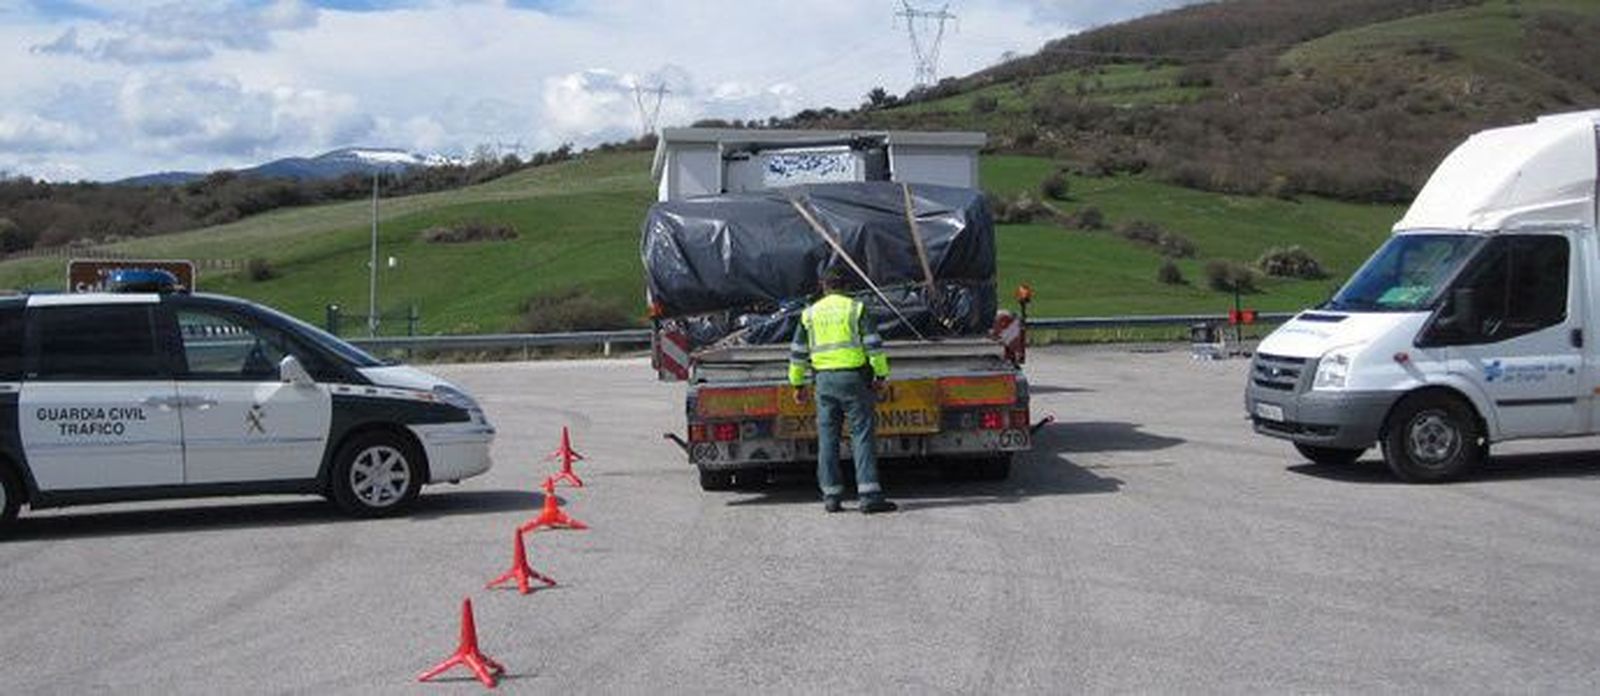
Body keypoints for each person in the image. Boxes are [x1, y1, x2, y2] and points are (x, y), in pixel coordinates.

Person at [789, 266, 897, 514]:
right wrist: (881, 375)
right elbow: (873, 345)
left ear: (823, 286)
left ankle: (831, 496)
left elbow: (797, 353)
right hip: (854, 379)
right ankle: (869, 496)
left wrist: (797, 383)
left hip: (824, 381)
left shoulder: (810, 314)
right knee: (862, 435)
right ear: (847, 286)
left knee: (828, 438)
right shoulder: (856, 309)